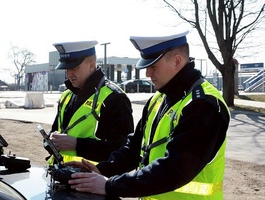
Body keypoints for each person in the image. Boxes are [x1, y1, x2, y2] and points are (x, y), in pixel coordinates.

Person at [68, 29, 230, 199]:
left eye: (153, 66)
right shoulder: (159, 99)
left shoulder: (203, 105)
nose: (147, 74)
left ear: (176, 61)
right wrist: (102, 169)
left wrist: (111, 185)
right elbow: (134, 148)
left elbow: (176, 169)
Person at [45, 40, 134, 164]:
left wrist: (77, 145)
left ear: (91, 66)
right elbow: (57, 130)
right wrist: (50, 141)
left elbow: (122, 151)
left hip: (92, 180)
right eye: (66, 69)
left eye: (74, 68)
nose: (69, 74)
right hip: (60, 175)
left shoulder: (114, 98)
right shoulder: (67, 95)